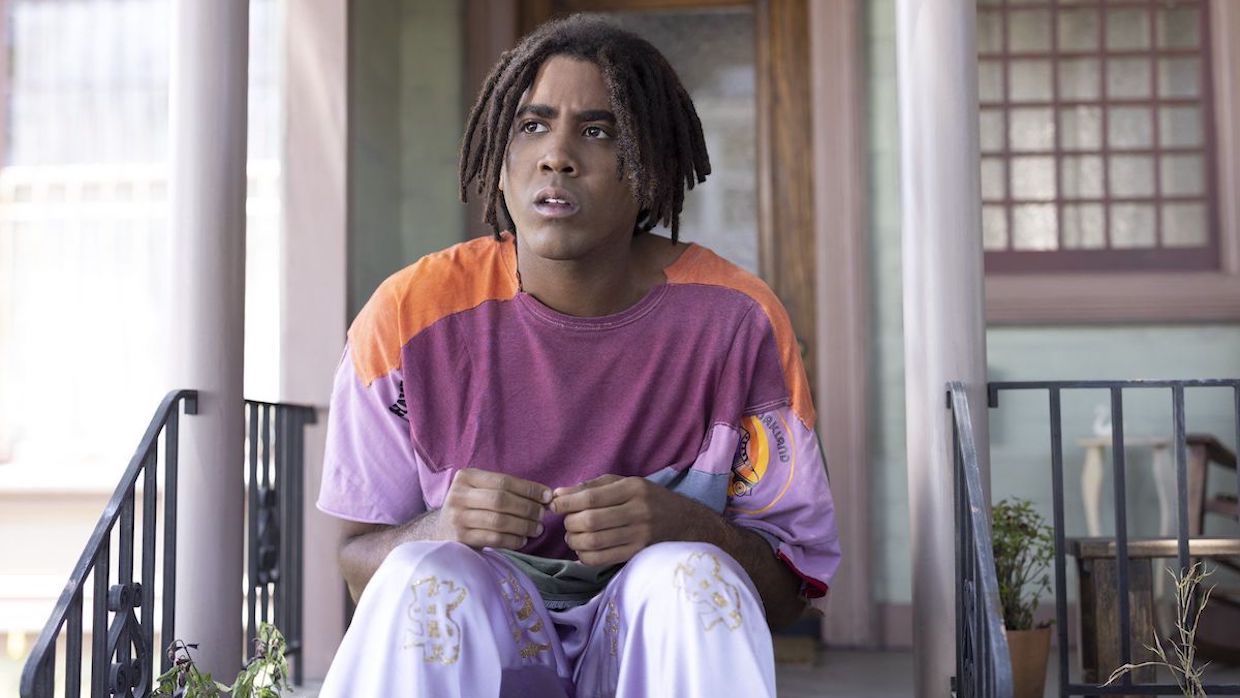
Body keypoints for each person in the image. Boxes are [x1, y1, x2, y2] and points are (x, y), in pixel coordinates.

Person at [316, 14, 841, 697]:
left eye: (597, 131)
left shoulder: (738, 321)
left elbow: (788, 594)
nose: (556, 155)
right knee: (426, 575)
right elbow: (358, 561)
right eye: (532, 126)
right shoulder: (408, 318)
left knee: (691, 575)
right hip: (489, 644)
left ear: (648, 164)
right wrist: (442, 525)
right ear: (500, 163)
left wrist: (690, 526)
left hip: (650, 648)